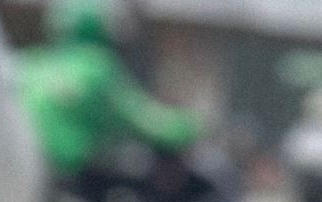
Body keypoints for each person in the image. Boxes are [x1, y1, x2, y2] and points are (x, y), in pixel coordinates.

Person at [17, 0, 203, 181]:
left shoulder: (32, 64)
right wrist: (189, 127)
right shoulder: (95, 67)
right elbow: (142, 121)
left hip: (30, 171)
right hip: (71, 173)